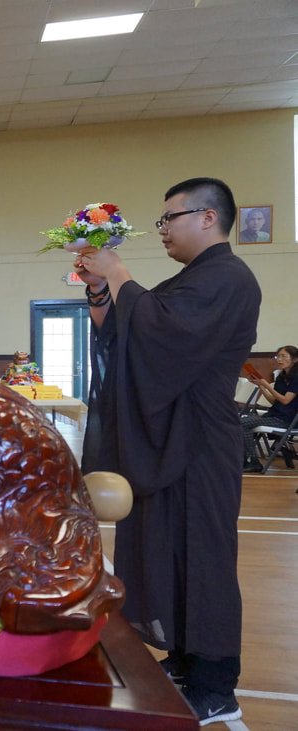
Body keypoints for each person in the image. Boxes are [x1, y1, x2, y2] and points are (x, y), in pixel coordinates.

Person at [70, 177, 261, 726]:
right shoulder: (191, 279)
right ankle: (182, 658)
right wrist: (101, 288)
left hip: (201, 439)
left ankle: (216, 683)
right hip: (169, 435)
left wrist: (121, 275)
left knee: (203, 557)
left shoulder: (230, 277)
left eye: (168, 219)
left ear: (207, 218)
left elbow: (164, 336)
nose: (163, 231)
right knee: (167, 547)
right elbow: (129, 334)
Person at [240, 345, 298, 472]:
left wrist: (267, 384)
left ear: (294, 359)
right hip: (274, 414)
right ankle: (245, 460)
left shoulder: (297, 377)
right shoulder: (281, 377)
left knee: (242, 423)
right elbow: (274, 401)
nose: (279, 359)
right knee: (241, 422)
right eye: (278, 356)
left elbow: (285, 400)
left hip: (286, 419)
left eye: (284, 356)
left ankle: (254, 462)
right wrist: (261, 386)